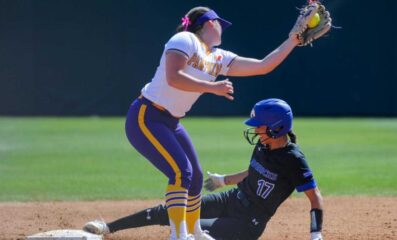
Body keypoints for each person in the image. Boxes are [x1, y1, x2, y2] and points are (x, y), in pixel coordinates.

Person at [112, 5, 301, 240]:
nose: (222, 28)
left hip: (171, 122)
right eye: (220, 24)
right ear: (211, 23)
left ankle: (196, 233)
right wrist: (212, 87)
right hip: (147, 116)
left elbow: (264, 66)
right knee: (182, 173)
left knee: (195, 177)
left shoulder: (219, 58)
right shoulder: (185, 39)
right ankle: (179, 236)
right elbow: (173, 77)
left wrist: (293, 40)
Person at [84, 99, 324, 240]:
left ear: (276, 127)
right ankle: (108, 228)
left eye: (258, 126)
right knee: (172, 210)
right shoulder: (264, 145)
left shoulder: (294, 159)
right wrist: (224, 180)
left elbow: (315, 198)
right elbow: (254, 171)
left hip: (248, 222)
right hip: (232, 199)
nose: (254, 130)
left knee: (188, 233)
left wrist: (316, 235)